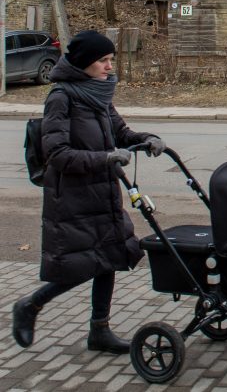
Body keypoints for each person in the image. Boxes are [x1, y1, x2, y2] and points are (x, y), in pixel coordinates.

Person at [11, 30, 167, 354]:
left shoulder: (98, 94)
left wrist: (147, 139)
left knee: (109, 257)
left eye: (111, 60)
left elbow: (121, 132)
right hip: (73, 196)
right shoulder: (61, 98)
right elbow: (57, 154)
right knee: (83, 263)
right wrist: (105, 158)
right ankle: (30, 304)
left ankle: (100, 331)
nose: (110, 66)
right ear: (85, 64)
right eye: (104, 61)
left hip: (101, 191)